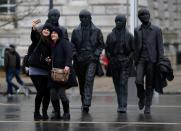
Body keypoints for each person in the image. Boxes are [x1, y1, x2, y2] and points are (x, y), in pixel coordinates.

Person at [71, 9, 104, 113]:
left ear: (90, 18)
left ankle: (86, 103)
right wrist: (75, 55)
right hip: (80, 59)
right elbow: (72, 45)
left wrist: (96, 54)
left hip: (91, 59)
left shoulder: (97, 30)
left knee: (89, 80)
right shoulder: (75, 31)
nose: (83, 19)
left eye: (85, 17)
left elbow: (101, 44)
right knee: (82, 82)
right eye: (81, 17)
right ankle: (83, 102)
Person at [134, 9, 164, 114]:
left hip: (152, 60)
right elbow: (135, 46)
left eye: (146, 14)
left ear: (149, 15)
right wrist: (135, 60)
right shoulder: (137, 30)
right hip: (140, 60)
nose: (145, 16)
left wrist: (161, 61)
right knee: (138, 81)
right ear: (139, 18)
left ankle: (148, 106)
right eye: (142, 15)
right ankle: (141, 97)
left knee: (150, 84)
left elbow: (160, 47)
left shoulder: (156, 30)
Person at [105, 14, 134, 113]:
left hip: (125, 63)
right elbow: (107, 49)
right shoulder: (110, 35)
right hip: (114, 62)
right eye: (116, 21)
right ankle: (119, 104)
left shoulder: (129, 36)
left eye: (120, 21)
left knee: (123, 83)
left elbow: (133, 51)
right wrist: (110, 59)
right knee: (117, 84)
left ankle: (123, 105)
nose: (118, 23)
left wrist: (128, 59)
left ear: (124, 22)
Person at [48, 27, 76, 120]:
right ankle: (57, 113)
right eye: (52, 33)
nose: (53, 34)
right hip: (53, 73)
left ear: (59, 34)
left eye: (55, 33)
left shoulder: (64, 42)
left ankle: (66, 113)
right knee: (52, 93)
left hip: (63, 73)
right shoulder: (52, 44)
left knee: (61, 93)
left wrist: (67, 65)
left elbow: (69, 54)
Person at [28, 20, 52, 120]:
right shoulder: (38, 39)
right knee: (41, 91)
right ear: (41, 31)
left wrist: (50, 59)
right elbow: (33, 36)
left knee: (47, 93)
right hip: (35, 70)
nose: (46, 31)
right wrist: (33, 27)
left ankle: (44, 112)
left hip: (46, 71)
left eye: (48, 30)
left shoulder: (51, 43)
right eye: (44, 29)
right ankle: (36, 112)